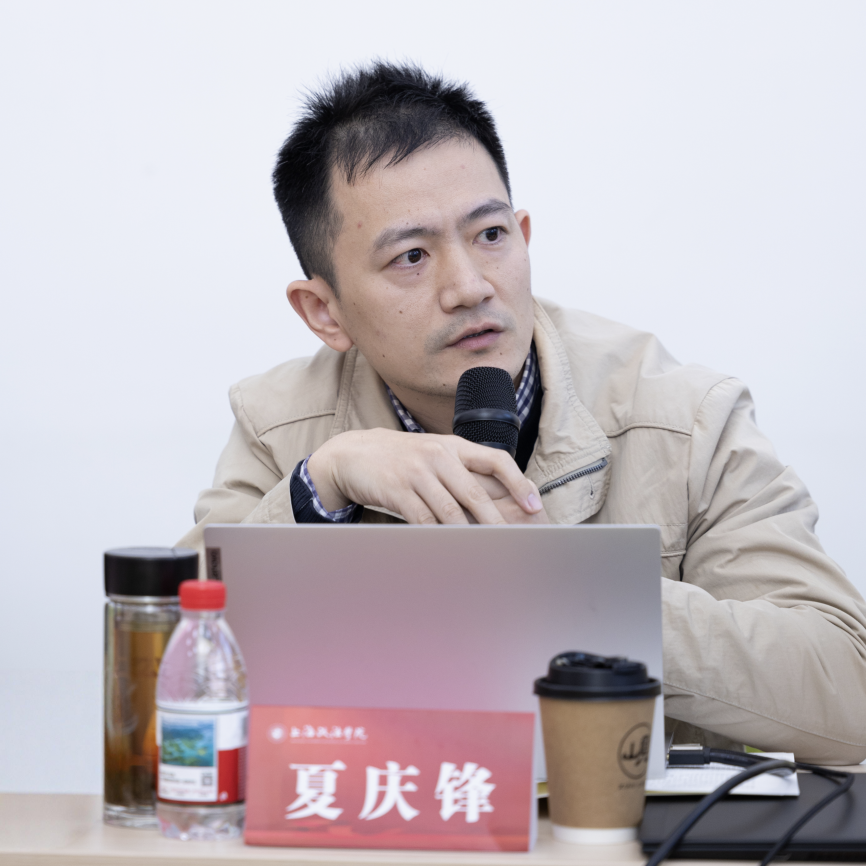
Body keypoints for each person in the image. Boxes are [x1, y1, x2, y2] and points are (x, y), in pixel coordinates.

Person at [177, 62, 866, 764]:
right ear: (324, 311)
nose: (470, 286)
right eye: (411, 256)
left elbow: (846, 691)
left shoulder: (684, 418)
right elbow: (163, 691)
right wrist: (318, 491)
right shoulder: (281, 428)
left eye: (490, 235)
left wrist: (570, 588)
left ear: (524, 235)